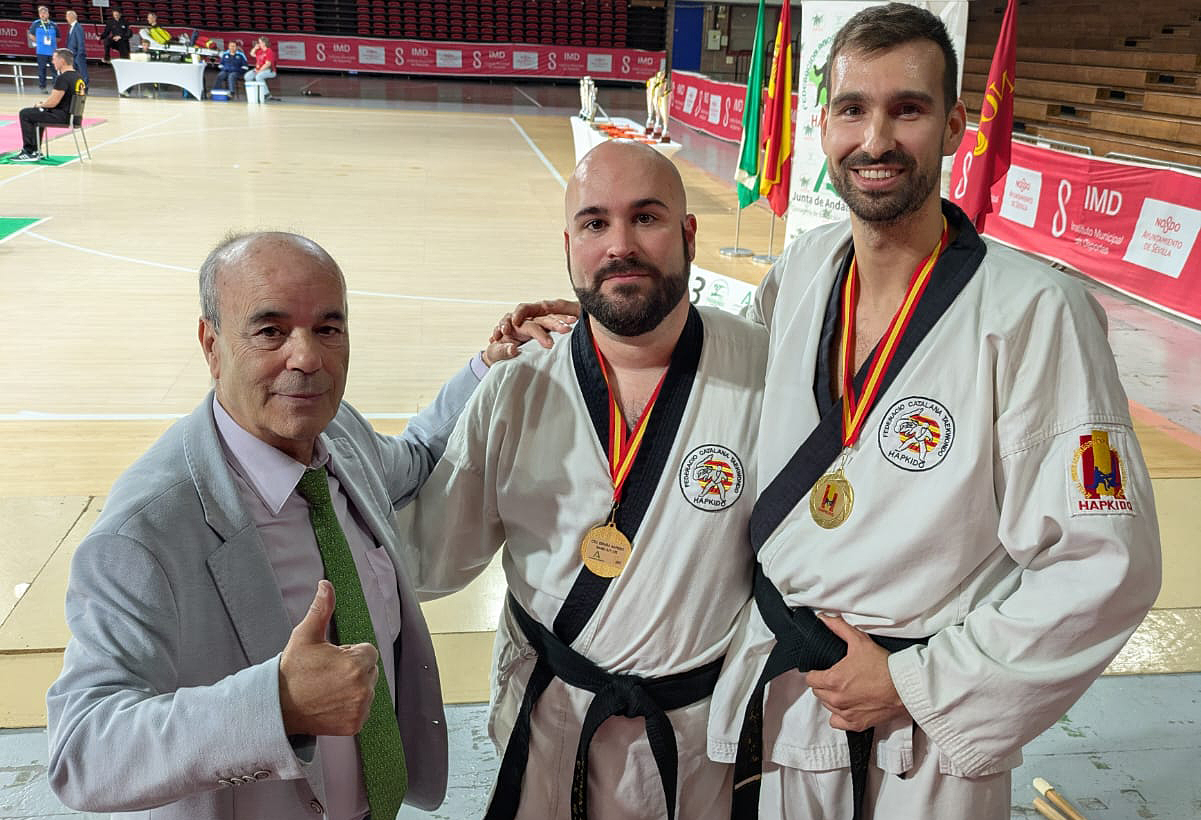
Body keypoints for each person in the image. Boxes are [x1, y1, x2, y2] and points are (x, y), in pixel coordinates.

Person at [702, 5, 1163, 820]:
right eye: (853, 108)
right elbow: (738, 393)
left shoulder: (1035, 311)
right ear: (823, 125)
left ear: (953, 127)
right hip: (786, 689)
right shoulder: (804, 266)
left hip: (922, 731)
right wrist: (587, 336)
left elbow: (1105, 563)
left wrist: (913, 681)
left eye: (906, 109)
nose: (874, 139)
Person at [44, 232, 537, 819]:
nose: (306, 358)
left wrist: (487, 366)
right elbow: (82, 752)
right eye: (270, 331)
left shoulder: (340, 435)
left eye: (328, 328)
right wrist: (275, 705)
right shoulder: (145, 533)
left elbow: (418, 454)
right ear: (212, 344)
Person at [398, 140, 767, 819]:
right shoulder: (514, 385)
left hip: (698, 739)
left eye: (646, 218)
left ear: (688, 234)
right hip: (549, 724)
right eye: (595, 223)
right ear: (568, 244)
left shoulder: (764, 370)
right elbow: (429, 556)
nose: (618, 245)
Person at [12, 48, 83, 163]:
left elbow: (53, 102)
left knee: (25, 113)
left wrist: (41, 104)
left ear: (62, 61)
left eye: (54, 59)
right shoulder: (78, 76)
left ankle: (29, 151)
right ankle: (35, 151)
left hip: (63, 116)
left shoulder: (63, 78)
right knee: (38, 114)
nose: (52, 62)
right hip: (74, 116)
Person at [26, 5, 58, 91]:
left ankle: (56, 87)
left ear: (48, 14)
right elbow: (30, 35)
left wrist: (52, 41)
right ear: (39, 15)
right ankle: (42, 87)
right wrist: (39, 41)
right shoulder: (36, 24)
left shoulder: (53, 25)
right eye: (41, 13)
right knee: (42, 70)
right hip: (41, 51)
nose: (43, 14)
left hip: (52, 51)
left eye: (45, 13)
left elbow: (58, 38)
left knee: (54, 70)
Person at [245, 36, 278, 100]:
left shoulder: (269, 51)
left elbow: (268, 64)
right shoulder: (259, 51)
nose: (258, 44)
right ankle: (255, 92)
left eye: (259, 42)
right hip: (258, 70)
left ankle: (266, 94)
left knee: (259, 76)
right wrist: (255, 48)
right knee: (247, 76)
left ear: (264, 43)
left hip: (269, 70)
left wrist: (259, 71)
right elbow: (252, 54)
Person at [64, 11, 88, 86]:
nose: (66, 18)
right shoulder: (72, 27)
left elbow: (80, 41)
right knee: (75, 72)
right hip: (72, 55)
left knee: (82, 72)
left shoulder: (78, 27)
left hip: (78, 55)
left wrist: (79, 54)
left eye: (67, 16)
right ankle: (76, 86)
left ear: (71, 17)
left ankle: (85, 87)